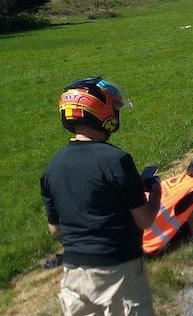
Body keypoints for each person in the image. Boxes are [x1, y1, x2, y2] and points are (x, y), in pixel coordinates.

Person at [42, 78, 159, 315]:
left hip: (75, 272)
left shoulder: (52, 167)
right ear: (99, 112)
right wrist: (155, 192)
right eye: (114, 108)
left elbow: (55, 230)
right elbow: (144, 220)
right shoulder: (116, 160)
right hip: (119, 268)